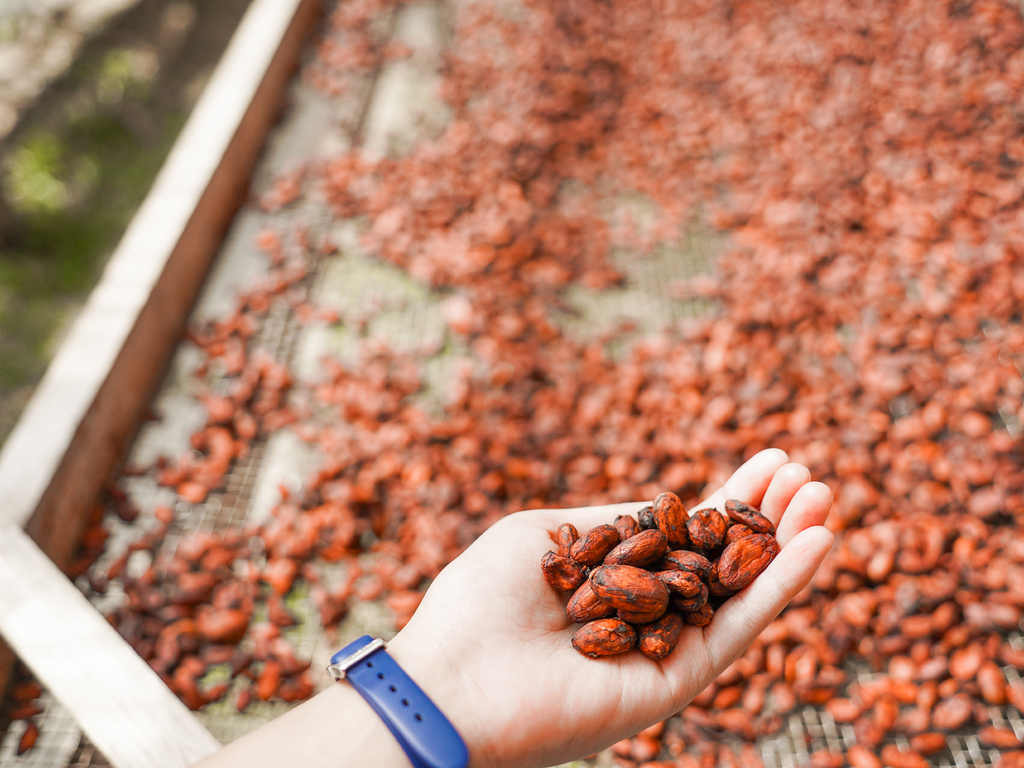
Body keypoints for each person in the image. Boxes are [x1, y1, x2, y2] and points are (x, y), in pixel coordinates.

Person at [191, 448, 833, 768]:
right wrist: (438, 682)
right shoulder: (620, 578)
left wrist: (430, 686)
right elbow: (655, 582)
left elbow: (677, 579)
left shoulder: (657, 571)